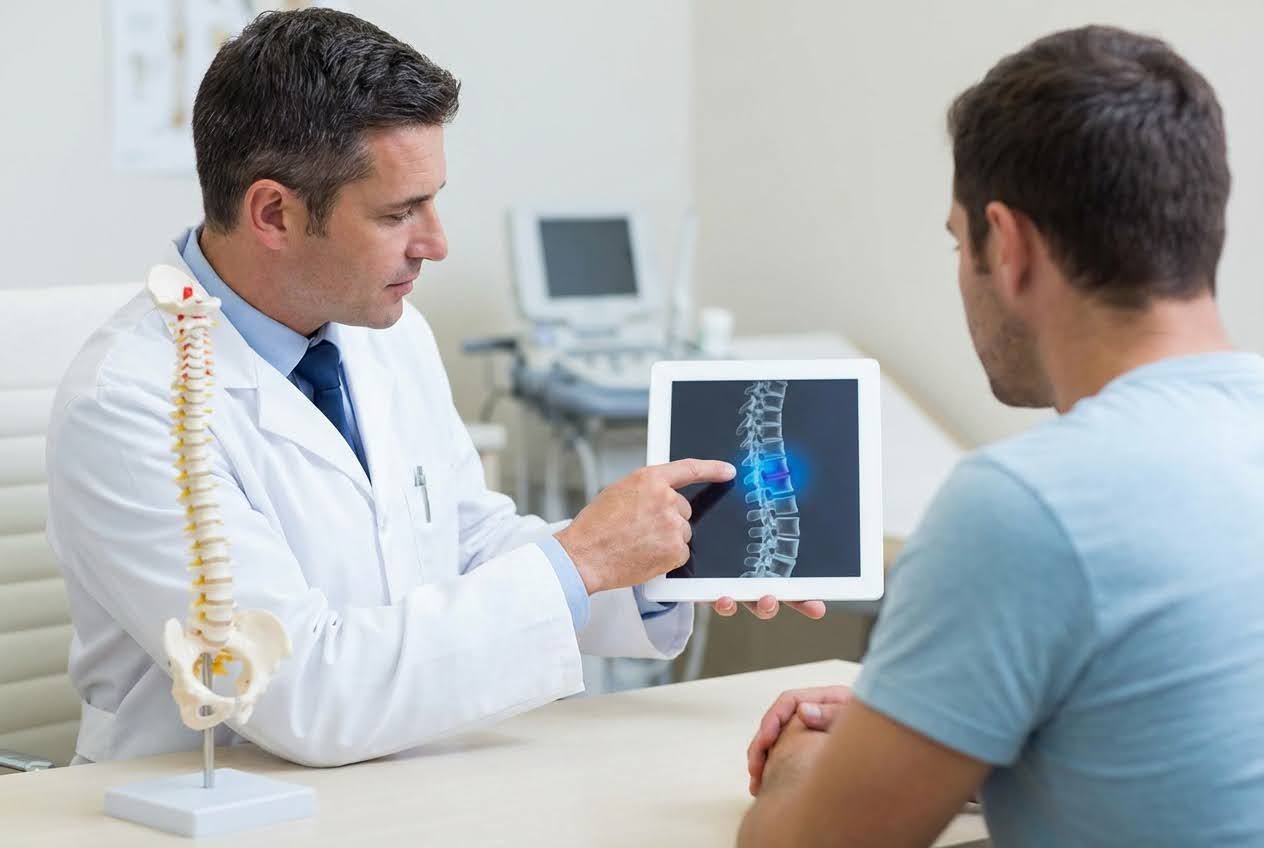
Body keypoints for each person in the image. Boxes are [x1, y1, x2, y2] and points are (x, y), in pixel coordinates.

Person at [46, 8, 822, 769]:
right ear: (274, 213)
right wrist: (579, 561)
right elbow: (300, 690)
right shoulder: (131, 402)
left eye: (434, 198)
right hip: (213, 807)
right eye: (399, 212)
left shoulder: (388, 333)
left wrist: (653, 562)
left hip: (407, 777)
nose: (437, 242)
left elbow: (462, 540)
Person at [739, 24, 1264, 847]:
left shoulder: (1027, 504)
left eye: (959, 243)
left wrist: (806, 763)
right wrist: (940, 729)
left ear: (1009, 247)